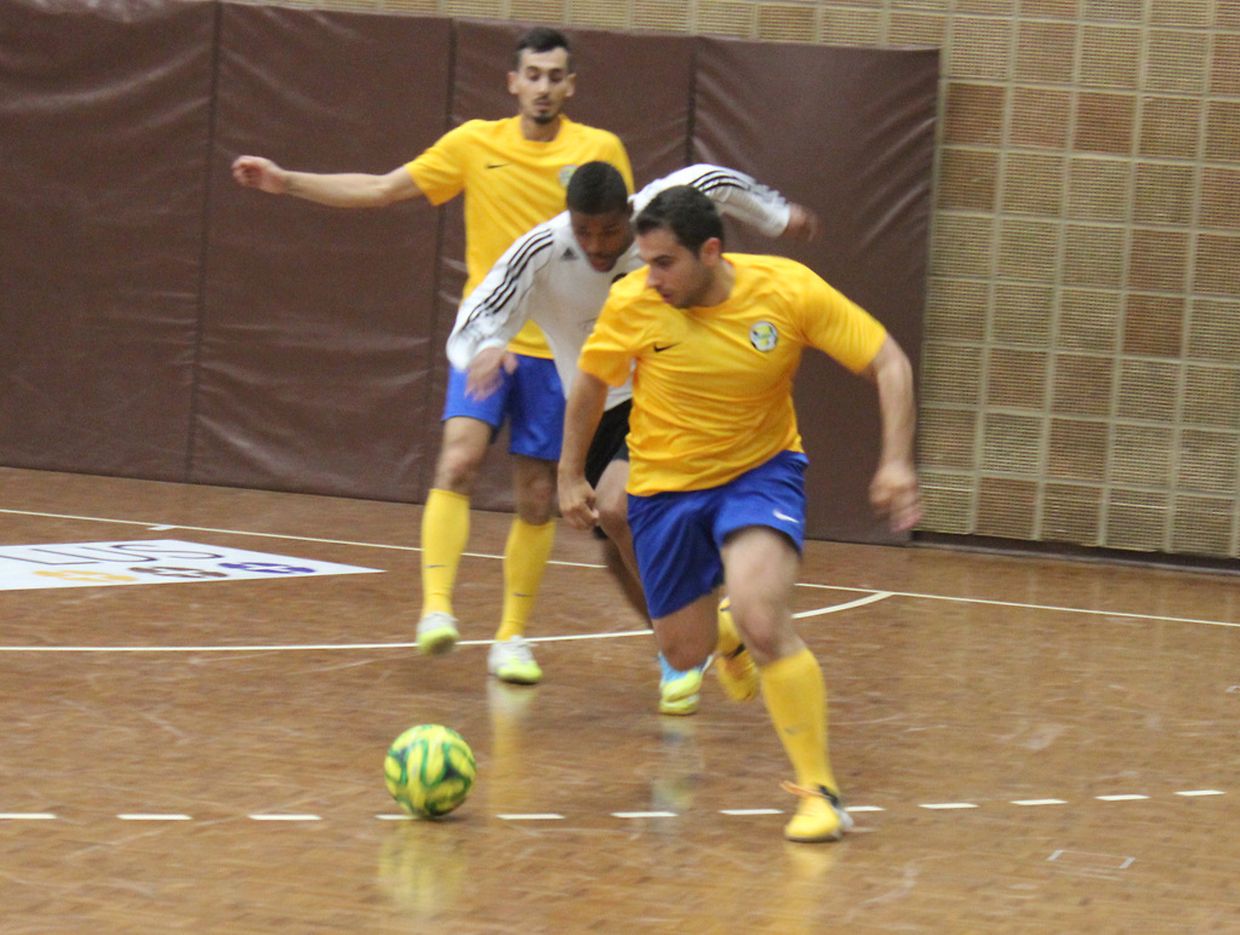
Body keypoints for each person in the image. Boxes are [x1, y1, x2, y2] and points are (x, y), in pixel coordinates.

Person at [231, 27, 633, 686]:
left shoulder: (600, 151)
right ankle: (437, 610)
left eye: (555, 76)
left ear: (571, 86)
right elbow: (383, 189)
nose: (543, 87)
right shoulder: (475, 143)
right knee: (459, 460)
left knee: (537, 496)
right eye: (532, 75)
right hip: (488, 341)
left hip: (559, 352)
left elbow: (621, 246)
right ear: (513, 82)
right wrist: (287, 181)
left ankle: (512, 637)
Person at [557, 186, 921, 842]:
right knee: (684, 651)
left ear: (710, 251)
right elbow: (589, 384)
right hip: (664, 488)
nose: (651, 277)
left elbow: (889, 363)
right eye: (646, 262)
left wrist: (895, 461)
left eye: (664, 262)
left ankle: (819, 792)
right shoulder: (633, 302)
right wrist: (569, 472)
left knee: (762, 617)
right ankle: (720, 635)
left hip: (759, 474)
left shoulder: (787, 291)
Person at [446, 161, 818, 715]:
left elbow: (715, 180)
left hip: (663, 396)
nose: (598, 246)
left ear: (629, 213)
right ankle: (702, 638)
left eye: (610, 231)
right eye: (584, 232)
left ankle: (694, 641)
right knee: (616, 540)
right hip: (597, 408)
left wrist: (776, 216)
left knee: (619, 506)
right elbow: (479, 310)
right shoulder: (541, 251)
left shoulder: (659, 216)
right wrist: (484, 348)